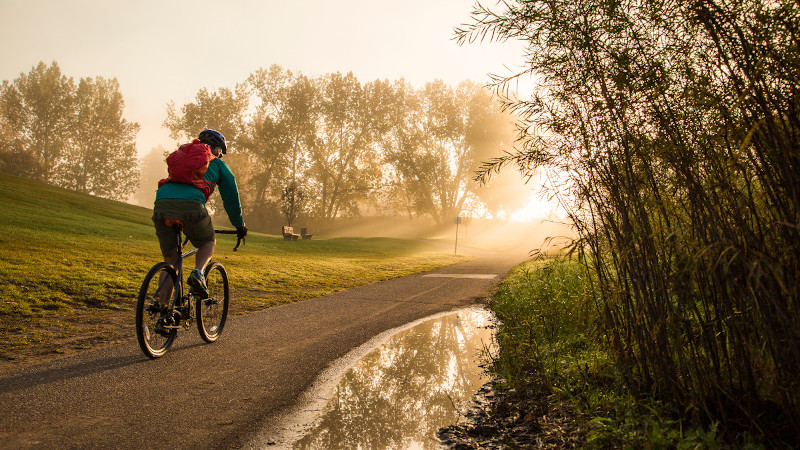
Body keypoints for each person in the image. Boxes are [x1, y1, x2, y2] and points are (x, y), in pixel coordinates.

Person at [152, 129, 247, 297]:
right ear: (218, 150)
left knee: (171, 261)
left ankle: (162, 312)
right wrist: (239, 225)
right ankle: (198, 273)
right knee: (207, 242)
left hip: (162, 204)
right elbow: (231, 197)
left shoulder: (184, 158)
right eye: (220, 152)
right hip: (192, 206)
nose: (220, 155)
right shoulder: (217, 163)